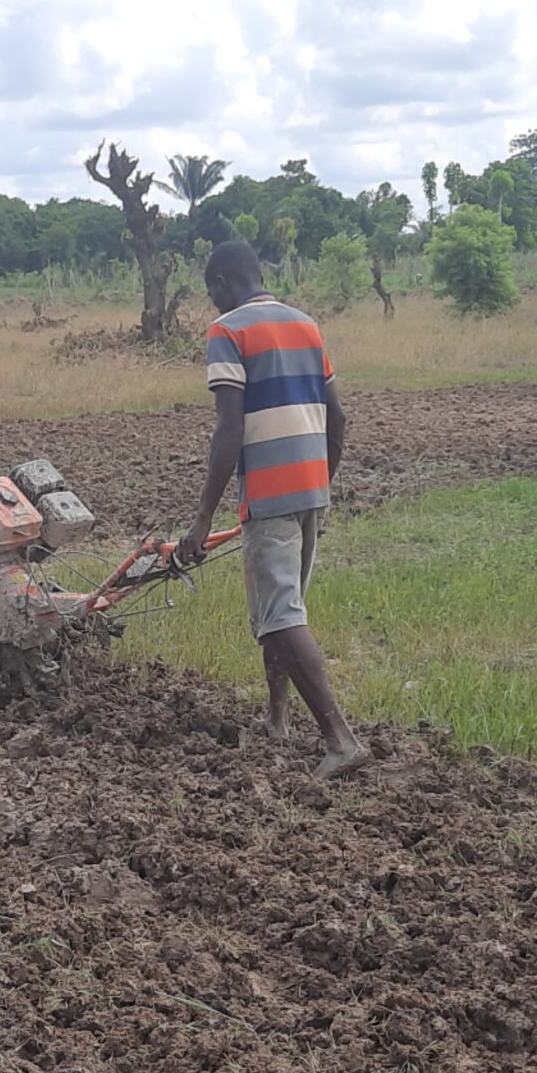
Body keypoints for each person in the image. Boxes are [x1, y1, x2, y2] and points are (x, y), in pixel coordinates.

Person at [176, 240, 366, 779]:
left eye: (211, 291)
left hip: (270, 494)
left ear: (221, 284)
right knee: (279, 609)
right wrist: (320, 484)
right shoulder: (306, 325)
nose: (212, 302)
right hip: (311, 487)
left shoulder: (228, 332)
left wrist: (202, 517)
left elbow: (229, 428)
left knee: (280, 614)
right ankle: (277, 719)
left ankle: (340, 739)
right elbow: (339, 418)